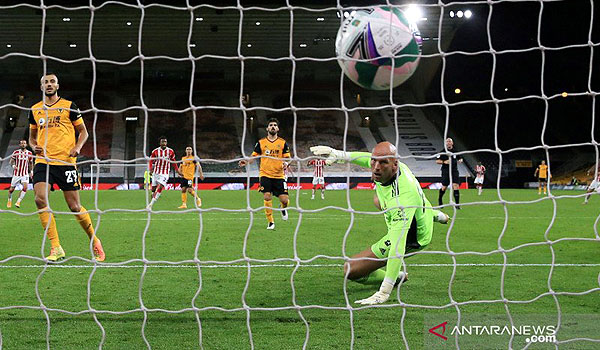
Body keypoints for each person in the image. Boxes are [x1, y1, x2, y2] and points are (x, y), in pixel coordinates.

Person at [311, 142, 449, 305]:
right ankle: (436, 215)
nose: (376, 167)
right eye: (374, 161)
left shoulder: (402, 200)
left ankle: (396, 278)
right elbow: (366, 158)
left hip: (414, 237)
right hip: (421, 210)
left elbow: (398, 247)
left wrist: (384, 291)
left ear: (394, 165)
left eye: (383, 162)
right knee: (378, 200)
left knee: (351, 270)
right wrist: (339, 154)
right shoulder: (393, 166)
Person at [29, 73, 105, 262]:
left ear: (57, 85)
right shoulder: (35, 109)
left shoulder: (69, 106)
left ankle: (95, 240)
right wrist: (33, 146)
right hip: (43, 161)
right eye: (45, 82)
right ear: (41, 87)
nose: (49, 84)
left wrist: (77, 147)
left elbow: (84, 132)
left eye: (52, 81)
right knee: (40, 199)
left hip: (65, 162)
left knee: (74, 206)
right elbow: (31, 136)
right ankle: (56, 247)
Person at [239, 118, 291, 230]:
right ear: (267, 128)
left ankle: (283, 208)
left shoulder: (282, 143)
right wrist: (246, 161)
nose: (273, 127)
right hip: (265, 174)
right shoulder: (261, 142)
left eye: (274, 125)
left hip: (279, 175)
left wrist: (286, 163)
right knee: (267, 196)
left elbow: (287, 158)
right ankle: (271, 222)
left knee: (284, 200)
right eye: (271, 125)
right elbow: (254, 156)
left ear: (277, 128)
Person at [147, 136, 182, 209]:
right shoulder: (155, 151)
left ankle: (150, 205)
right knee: (153, 188)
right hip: (156, 172)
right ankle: (154, 194)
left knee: (160, 187)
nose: (164, 143)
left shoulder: (171, 151)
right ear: (160, 143)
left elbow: (173, 161)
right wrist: (150, 169)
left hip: (165, 173)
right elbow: (150, 160)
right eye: (162, 142)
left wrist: (177, 170)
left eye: (165, 142)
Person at [436, 138, 463, 208]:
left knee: (456, 185)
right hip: (446, 171)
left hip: (454, 170)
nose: (448, 143)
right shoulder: (442, 152)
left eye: (450, 141)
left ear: (452, 143)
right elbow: (437, 161)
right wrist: (444, 162)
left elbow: (460, 158)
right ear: (445, 143)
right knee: (444, 187)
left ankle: (457, 204)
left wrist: (460, 160)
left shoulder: (455, 151)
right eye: (447, 141)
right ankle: (440, 200)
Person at [7, 139, 33, 208]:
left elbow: (30, 163)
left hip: (25, 174)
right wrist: (14, 166)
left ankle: (18, 202)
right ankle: (9, 200)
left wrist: (31, 172)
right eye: (21, 143)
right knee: (11, 190)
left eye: (24, 143)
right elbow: (11, 161)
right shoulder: (16, 152)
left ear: (26, 144)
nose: (23, 144)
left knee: (25, 187)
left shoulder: (29, 153)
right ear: (19, 145)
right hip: (16, 174)